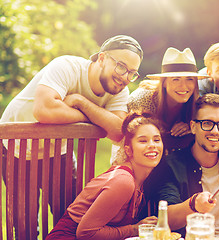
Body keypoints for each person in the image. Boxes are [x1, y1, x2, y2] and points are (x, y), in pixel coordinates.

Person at [1, 35, 143, 237]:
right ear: (101, 58)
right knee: (25, 224)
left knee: (70, 216)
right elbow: (44, 110)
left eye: (132, 73)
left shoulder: (119, 89)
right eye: (121, 66)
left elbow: (118, 131)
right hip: (16, 148)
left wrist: (80, 102)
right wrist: (97, 118)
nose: (125, 77)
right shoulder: (66, 66)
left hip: (58, 150)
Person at [45, 112, 163, 240]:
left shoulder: (140, 181)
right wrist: (135, 229)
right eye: (143, 140)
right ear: (128, 150)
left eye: (156, 140)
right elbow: (85, 233)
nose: (152, 145)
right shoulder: (123, 181)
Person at [145, 94, 219, 236]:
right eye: (207, 123)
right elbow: (166, 217)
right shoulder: (171, 165)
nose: (215, 131)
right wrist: (193, 204)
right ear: (193, 127)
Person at [111, 47, 208, 164]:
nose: (184, 86)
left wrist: (190, 127)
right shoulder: (143, 100)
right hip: (133, 158)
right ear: (164, 83)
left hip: (168, 161)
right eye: (176, 79)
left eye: (189, 79)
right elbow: (133, 142)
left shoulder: (196, 104)